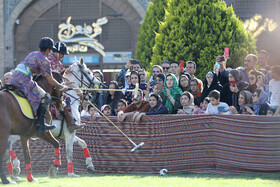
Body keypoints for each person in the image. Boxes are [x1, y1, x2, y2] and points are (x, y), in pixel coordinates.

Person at [10, 37, 67, 133]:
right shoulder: (45, 60)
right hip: (24, 79)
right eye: (51, 50)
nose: (50, 52)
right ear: (48, 49)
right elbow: (50, 80)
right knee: (46, 97)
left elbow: (35, 71)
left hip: (13, 77)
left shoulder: (33, 53)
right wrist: (61, 87)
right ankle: (40, 124)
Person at [48, 41, 84, 133]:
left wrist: (64, 71)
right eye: (62, 54)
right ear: (56, 52)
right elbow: (60, 79)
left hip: (46, 86)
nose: (63, 56)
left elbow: (56, 74)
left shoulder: (50, 59)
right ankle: (71, 124)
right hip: (51, 89)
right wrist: (77, 91)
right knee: (66, 100)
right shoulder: (54, 61)